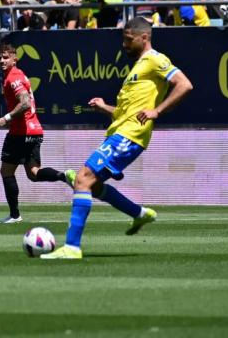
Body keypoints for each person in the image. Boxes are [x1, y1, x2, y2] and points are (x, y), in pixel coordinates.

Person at [41, 17, 193, 259]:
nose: (124, 44)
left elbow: (184, 85)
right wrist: (105, 108)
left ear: (144, 37)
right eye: (123, 39)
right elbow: (127, 112)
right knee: (93, 184)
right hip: (120, 131)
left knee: (82, 179)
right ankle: (139, 213)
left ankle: (72, 247)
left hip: (129, 135)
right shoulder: (139, 67)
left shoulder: (156, 59)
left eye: (128, 39)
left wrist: (157, 111)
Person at [0, 43, 74, 224]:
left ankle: (15, 216)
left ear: (15, 59)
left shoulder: (13, 77)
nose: (2, 60)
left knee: (6, 171)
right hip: (35, 130)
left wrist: (6, 117)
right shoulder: (16, 75)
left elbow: (24, 102)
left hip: (20, 132)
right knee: (33, 173)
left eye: (6, 57)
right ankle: (64, 176)